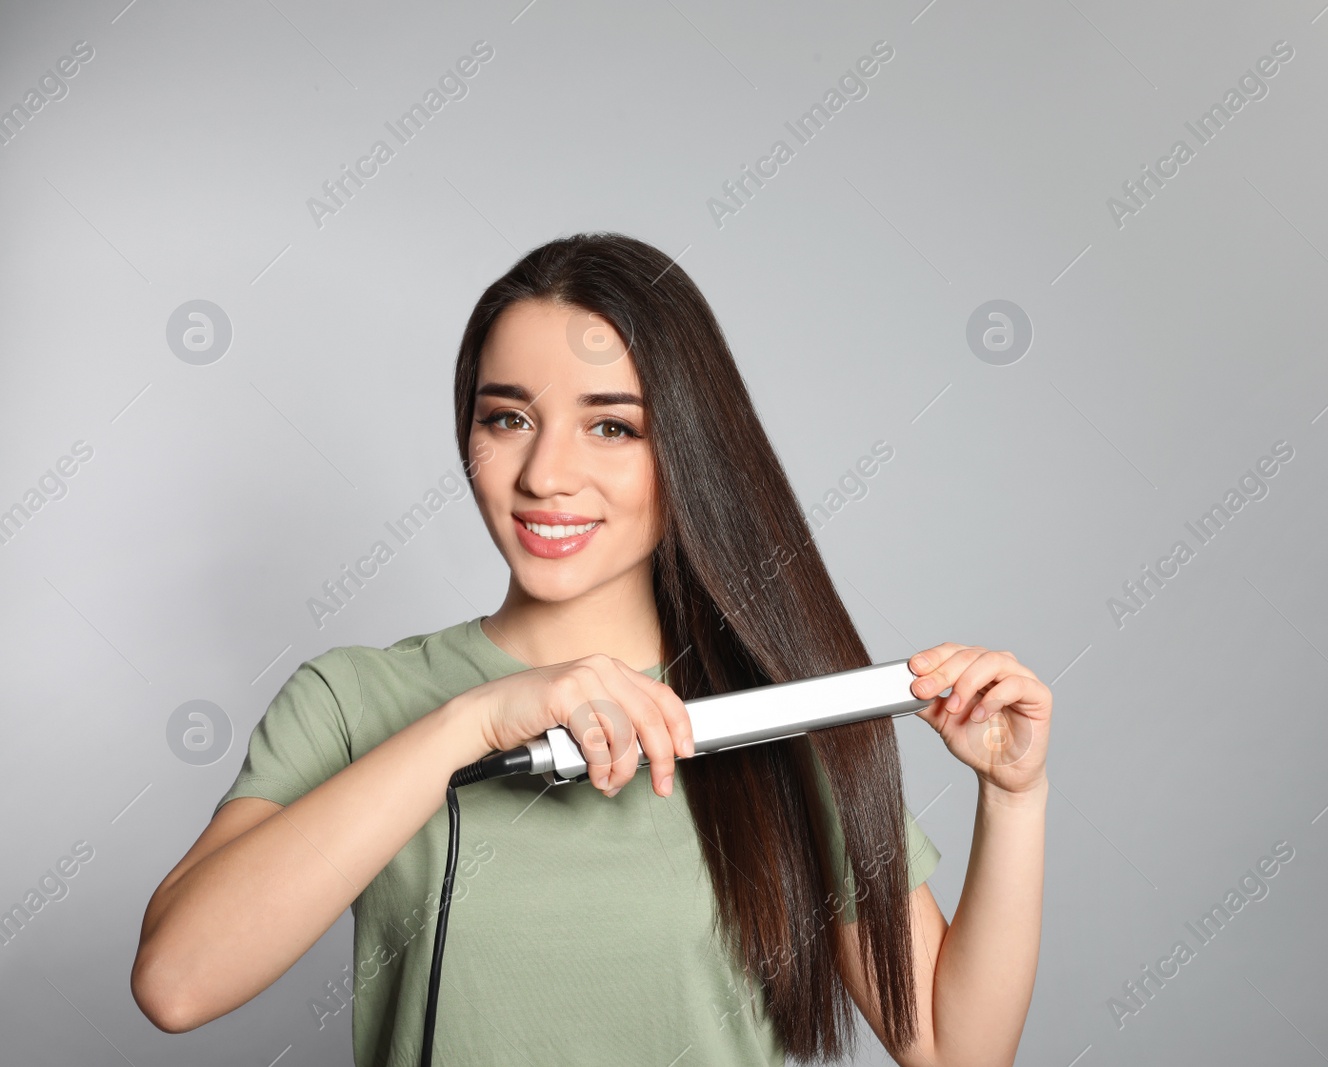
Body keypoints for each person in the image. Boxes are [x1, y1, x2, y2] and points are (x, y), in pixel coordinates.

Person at [130, 232, 1051, 1066]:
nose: (545, 475)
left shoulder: (779, 720)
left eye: (612, 426)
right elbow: (178, 981)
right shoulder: (353, 700)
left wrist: (1014, 797)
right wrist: (471, 722)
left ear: (686, 450)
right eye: (507, 418)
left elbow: (958, 1053)